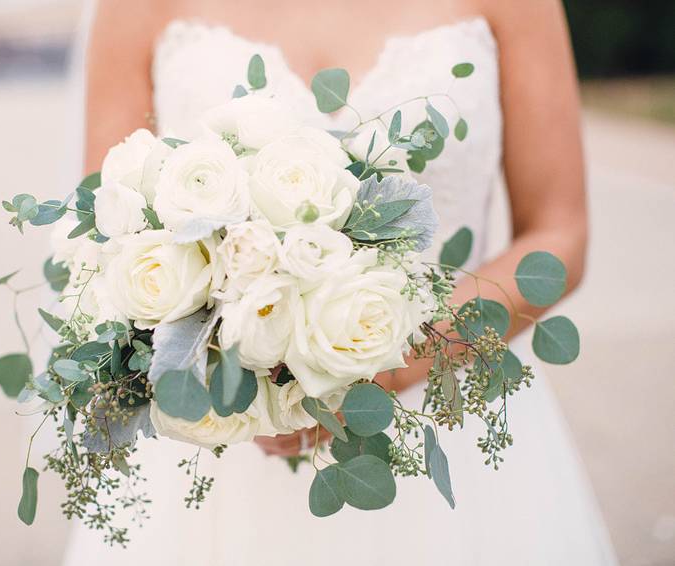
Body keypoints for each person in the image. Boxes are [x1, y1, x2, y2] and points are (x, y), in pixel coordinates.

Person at [63, 1, 618, 563]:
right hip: (221, 432)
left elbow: (558, 233)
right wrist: (246, 362)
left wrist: (380, 361)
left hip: (445, 417)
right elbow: (105, 225)